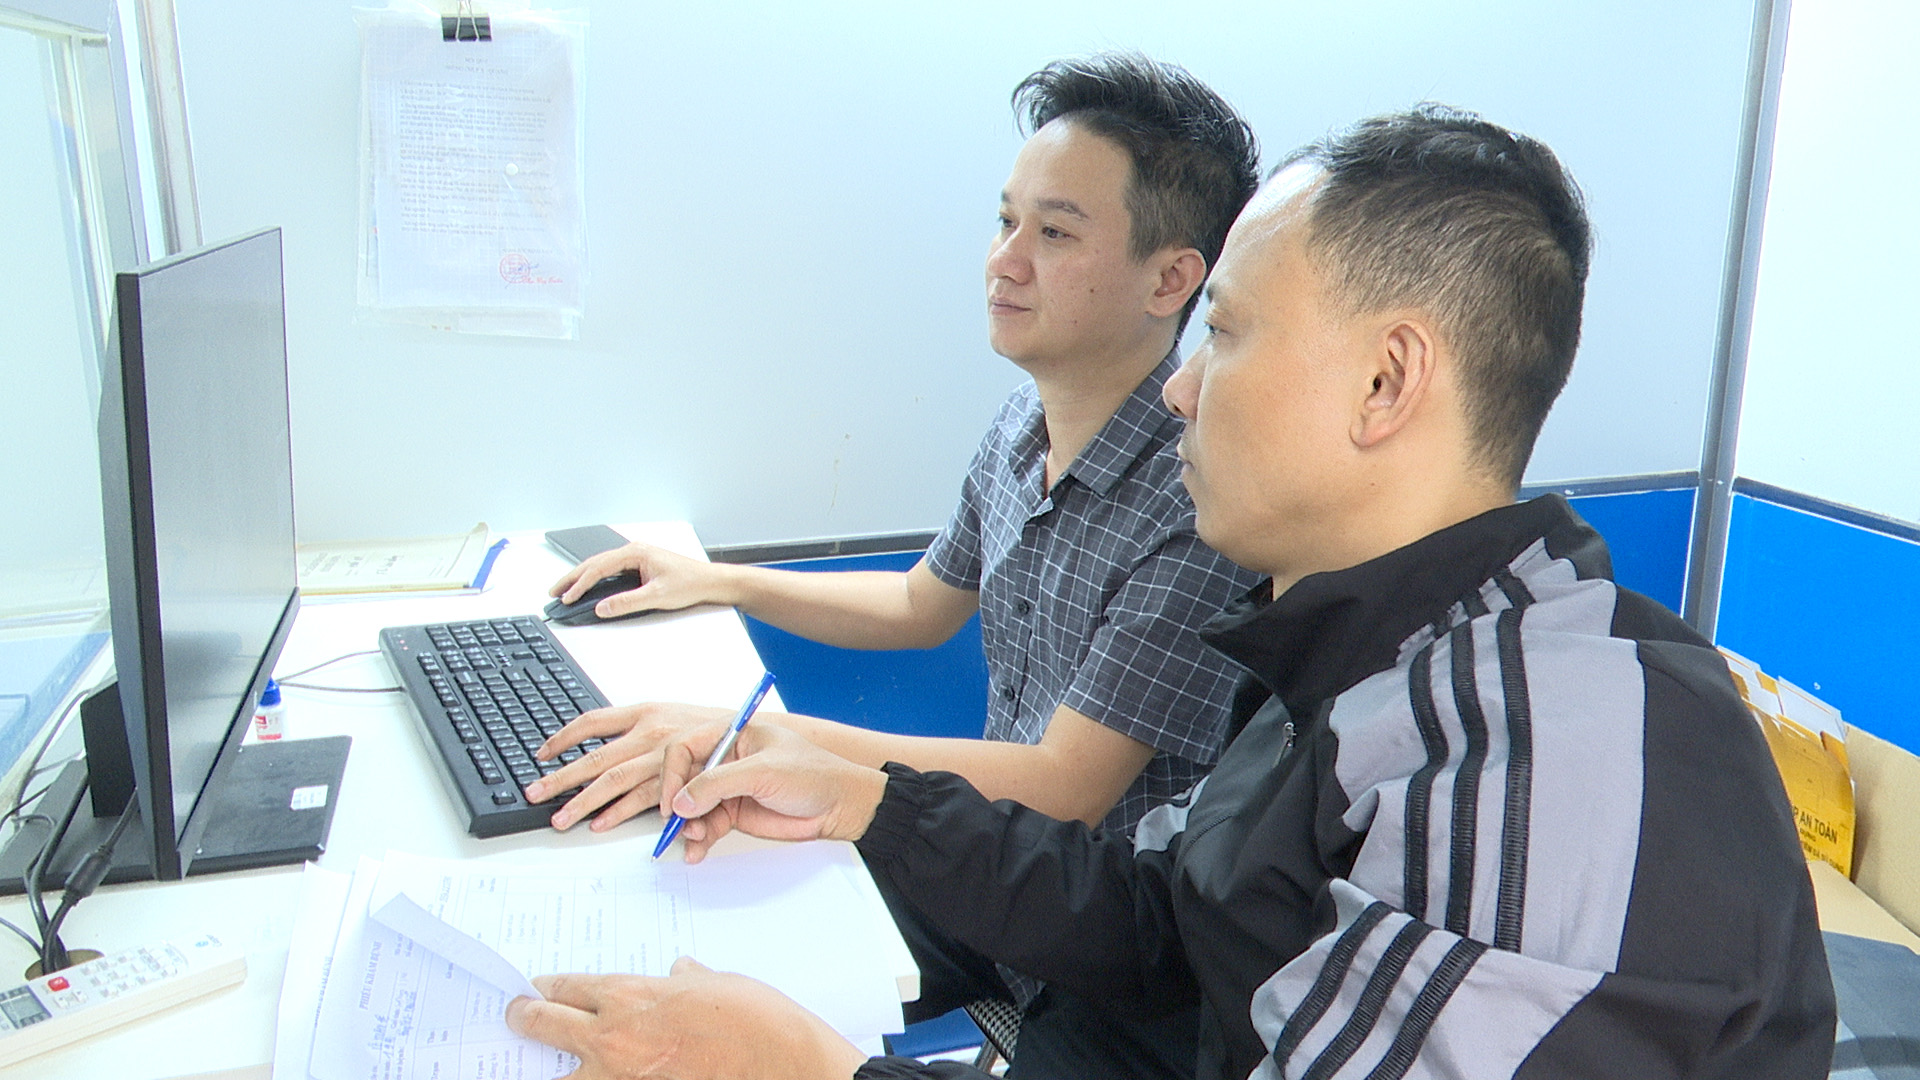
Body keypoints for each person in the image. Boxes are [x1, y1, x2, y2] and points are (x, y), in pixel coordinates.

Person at [504, 104, 1837, 1080]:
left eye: (1229, 333)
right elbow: (1165, 917)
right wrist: (872, 805)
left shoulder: (1543, 749)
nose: (1185, 389)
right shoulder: (1359, 653)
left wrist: (812, 1071)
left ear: (1386, 382)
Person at [532, 53, 1263, 1080]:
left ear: (1171, 279)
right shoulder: (1022, 425)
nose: (1004, 261)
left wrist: (766, 737)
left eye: (1054, 234)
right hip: (989, 867)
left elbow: (1063, 788)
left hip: (1099, 943)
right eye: (1005, 221)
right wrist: (719, 578)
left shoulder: (1196, 499)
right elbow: (923, 602)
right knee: (677, 920)